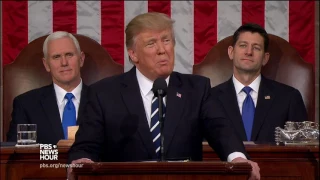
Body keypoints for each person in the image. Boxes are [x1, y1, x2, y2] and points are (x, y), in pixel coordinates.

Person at [68, 12, 260, 179]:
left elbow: (220, 130)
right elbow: (85, 145)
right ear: (133, 54)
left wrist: (238, 159)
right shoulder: (104, 94)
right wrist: (83, 162)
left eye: (166, 40)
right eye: (151, 43)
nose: (163, 50)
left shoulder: (196, 88)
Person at [210, 23, 307, 143]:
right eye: (243, 45)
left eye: (256, 48)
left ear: (265, 58)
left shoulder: (289, 98)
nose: (249, 52)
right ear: (231, 52)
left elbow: (301, 150)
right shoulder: (210, 98)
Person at [6, 31, 88, 145]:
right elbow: (17, 155)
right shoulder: (26, 105)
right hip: (45, 163)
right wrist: (52, 152)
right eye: (56, 57)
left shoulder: (102, 99)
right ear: (46, 64)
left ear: (81, 59)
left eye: (69, 54)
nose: (64, 62)